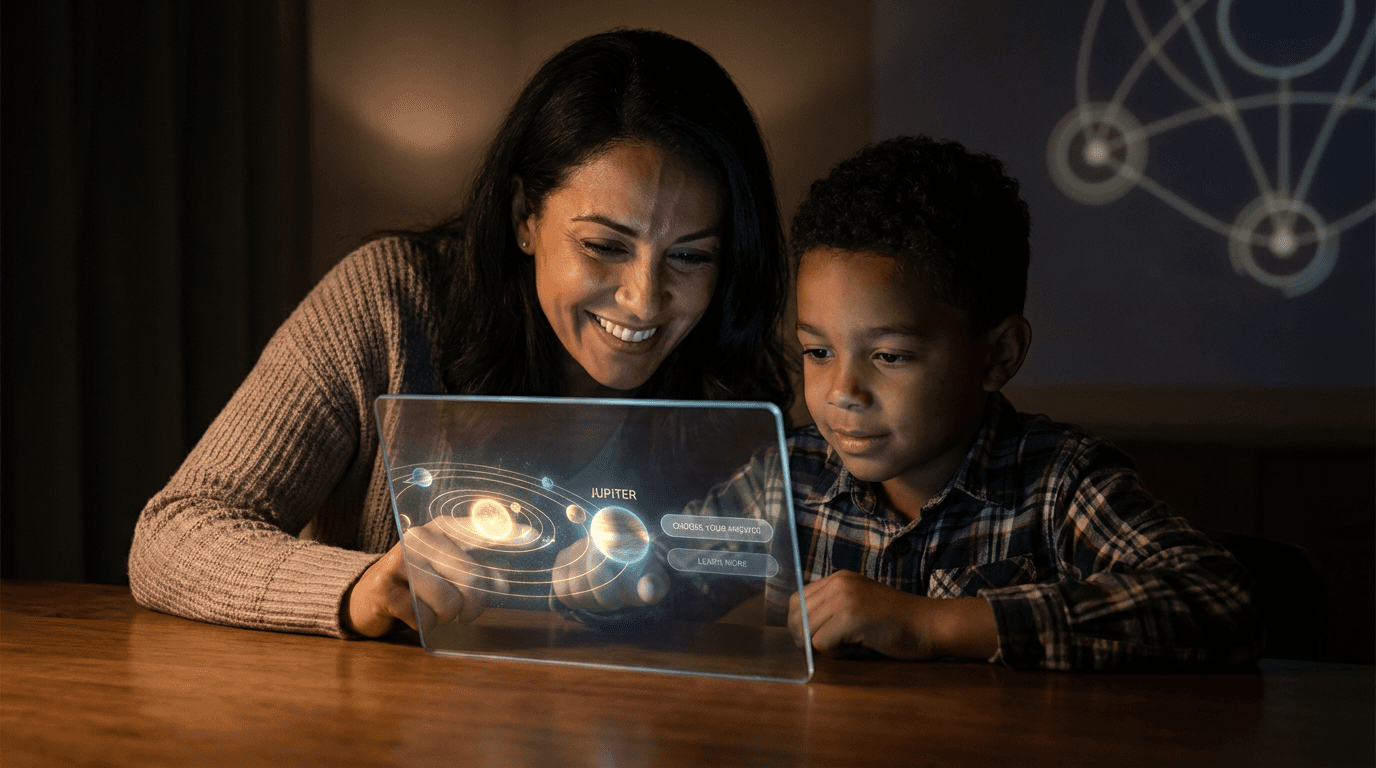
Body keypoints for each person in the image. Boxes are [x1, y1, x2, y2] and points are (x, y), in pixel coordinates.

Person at [127, 29, 793, 640]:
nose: (645, 299)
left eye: (691, 256)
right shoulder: (392, 303)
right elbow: (173, 533)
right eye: (603, 246)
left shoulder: (734, 376)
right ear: (523, 216)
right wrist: (358, 588)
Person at [777, 135, 1263, 670]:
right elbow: (673, 561)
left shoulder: (1058, 482)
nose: (842, 391)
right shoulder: (786, 474)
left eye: (890, 356)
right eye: (818, 351)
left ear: (998, 356)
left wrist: (929, 624)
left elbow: (1218, 601)